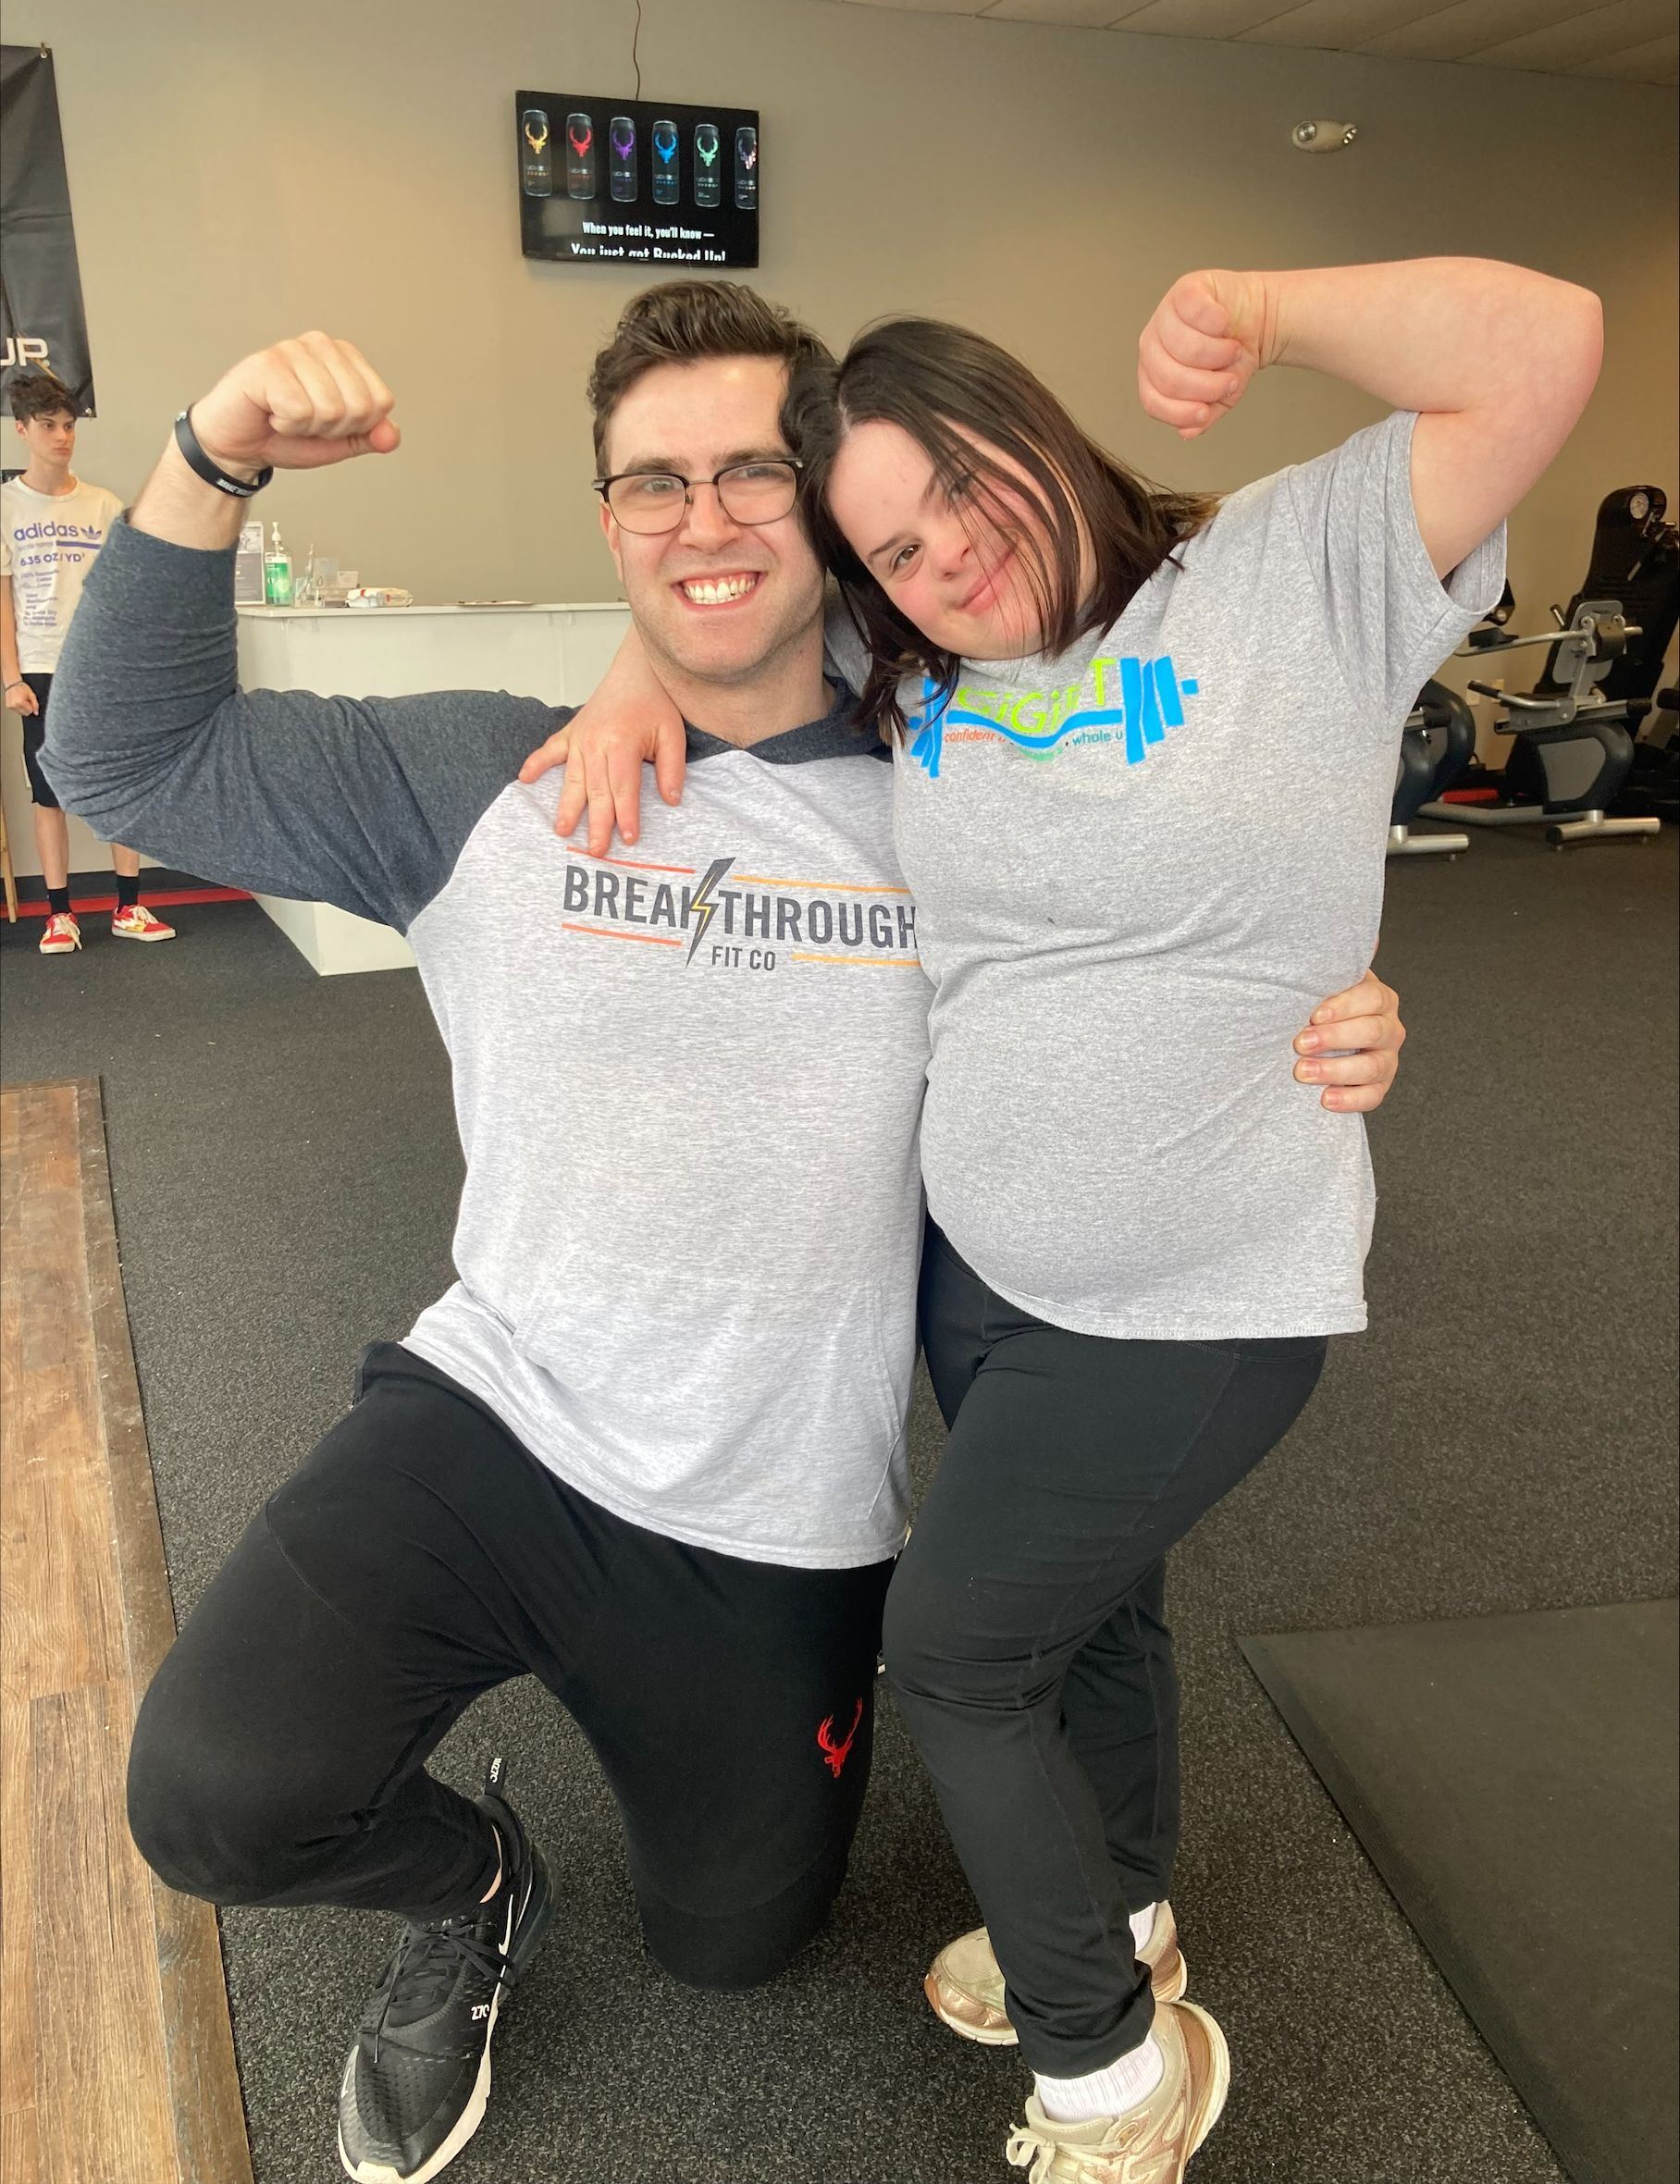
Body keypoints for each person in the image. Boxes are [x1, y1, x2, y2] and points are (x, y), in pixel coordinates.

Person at [44, 286, 1406, 2184]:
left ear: (831, 511)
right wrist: (212, 451)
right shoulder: (477, 778)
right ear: (607, 521)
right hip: (489, 1423)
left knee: (733, 1944)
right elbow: (112, 760)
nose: (701, 523)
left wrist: (1324, 1014)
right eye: (649, 486)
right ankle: (477, 1884)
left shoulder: (964, 793)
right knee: (211, 1799)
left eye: (754, 475)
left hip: (776, 1512)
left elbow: (1193, 885)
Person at [526, 258, 1600, 2179]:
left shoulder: (1292, 574)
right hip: (983, 1275)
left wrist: (1261, 308)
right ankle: (1116, 1916)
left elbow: (1544, 346)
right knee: (1090, 1612)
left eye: (957, 493)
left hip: (1206, 1290)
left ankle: (1112, 2074)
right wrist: (624, 679)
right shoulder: (916, 676)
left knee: (953, 1651)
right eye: (892, 549)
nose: (944, 559)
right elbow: (715, 630)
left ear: (1029, 425)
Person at [2, 367, 176, 951]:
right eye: (48, 425)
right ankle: (59, 913)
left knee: (119, 783)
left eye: (69, 424)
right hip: (40, 670)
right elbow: (1, 600)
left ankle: (129, 906)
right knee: (48, 794)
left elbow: (127, 593)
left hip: (104, 669)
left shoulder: (104, 506)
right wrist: (9, 679)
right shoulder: (6, 507)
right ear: (22, 429)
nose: (62, 436)